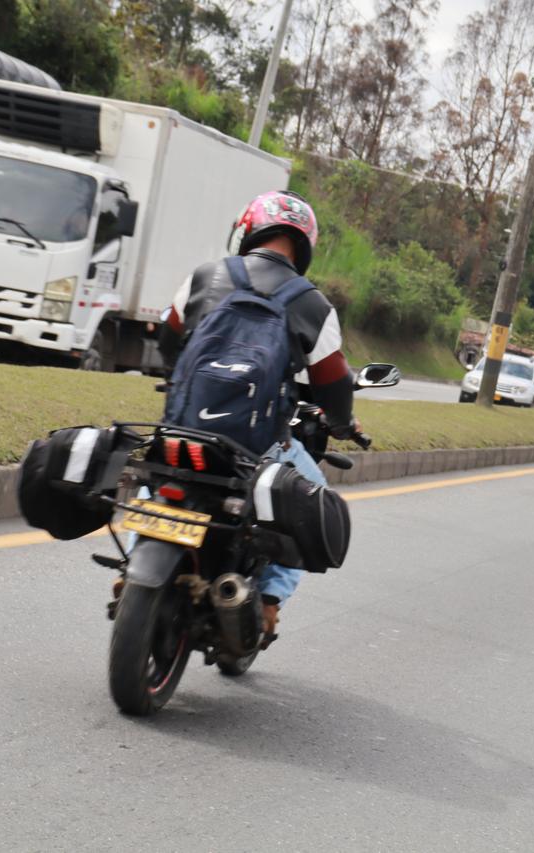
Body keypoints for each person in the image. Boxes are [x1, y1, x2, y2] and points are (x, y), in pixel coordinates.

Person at [157, 190, 361, 645]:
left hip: (184, 426)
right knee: (310, 491)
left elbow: (168, 340)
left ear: (247, 230)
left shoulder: (204, 275)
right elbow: (333, 383)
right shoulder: (313, 304)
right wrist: (343, 423)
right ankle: (269, 602)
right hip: (255, 444)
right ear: (304, 245)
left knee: (160, 471)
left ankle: (136, 560)